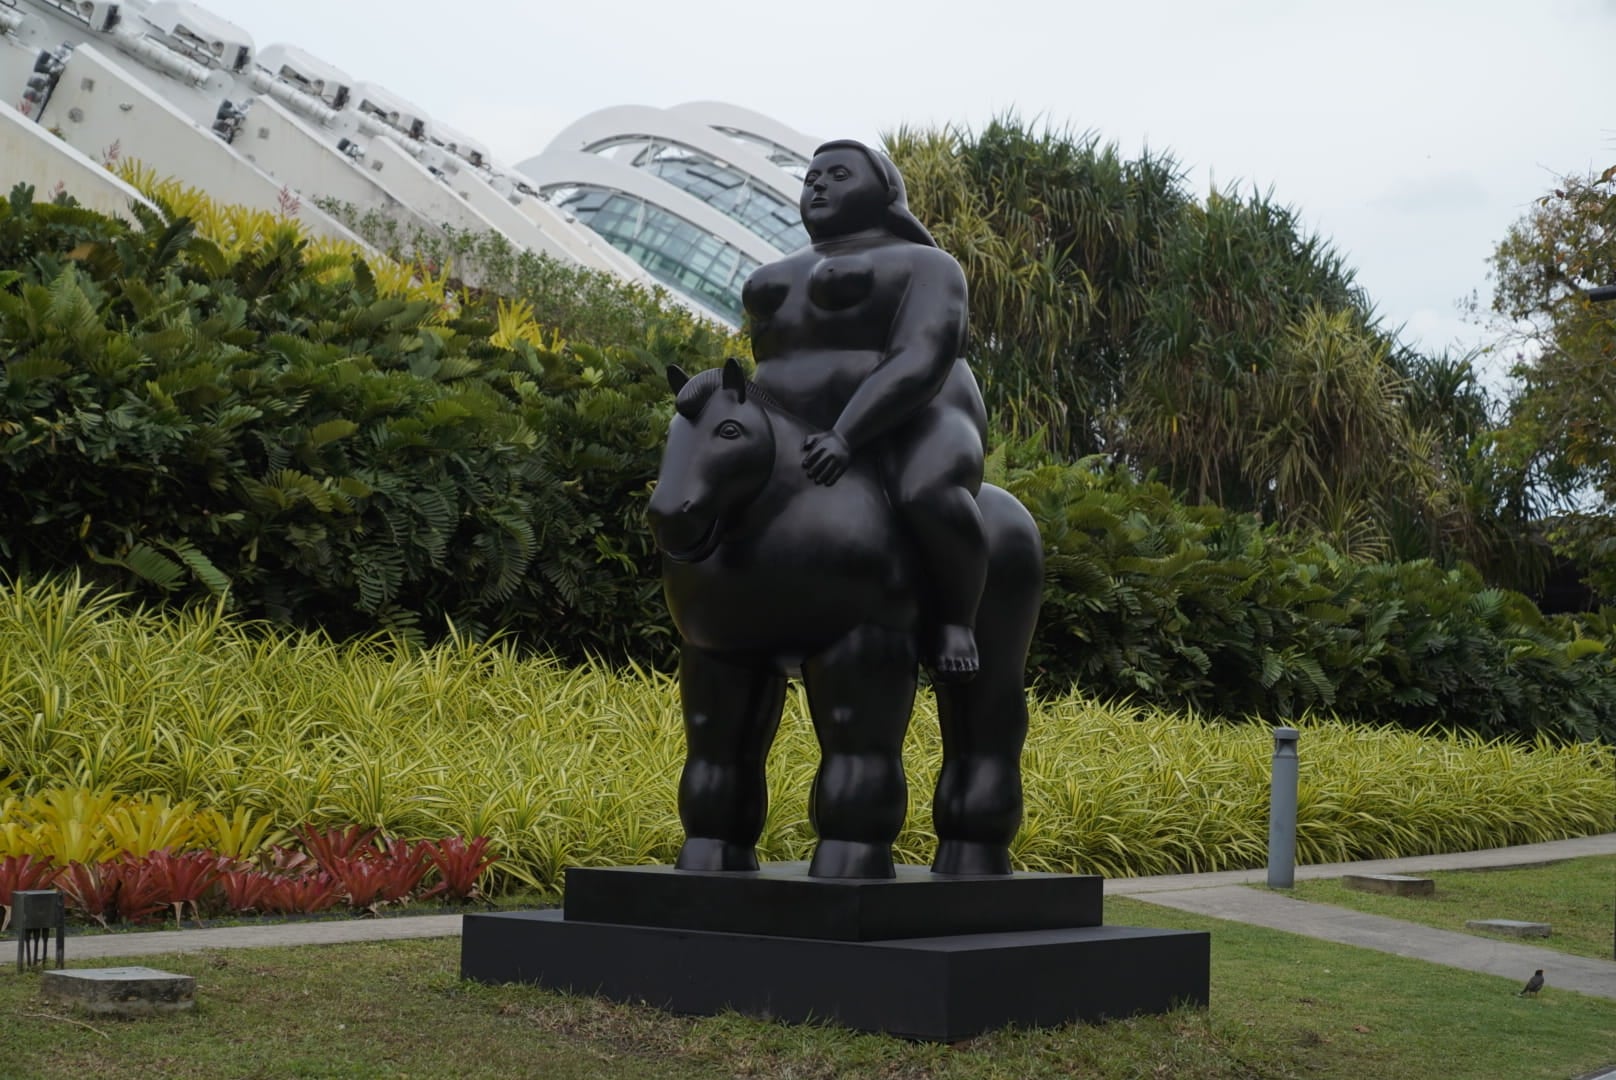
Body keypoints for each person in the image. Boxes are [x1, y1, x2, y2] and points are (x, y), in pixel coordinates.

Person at [741, 139, 988, 681]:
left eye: (839, 175)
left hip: (920, 419)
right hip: (792, 425)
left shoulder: (928, 264)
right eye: (812, 177)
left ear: (885, 193)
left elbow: (921, 357)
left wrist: (847, 434)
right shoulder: (785, 267)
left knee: (925, 492)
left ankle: (955, 618)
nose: (818, 185)